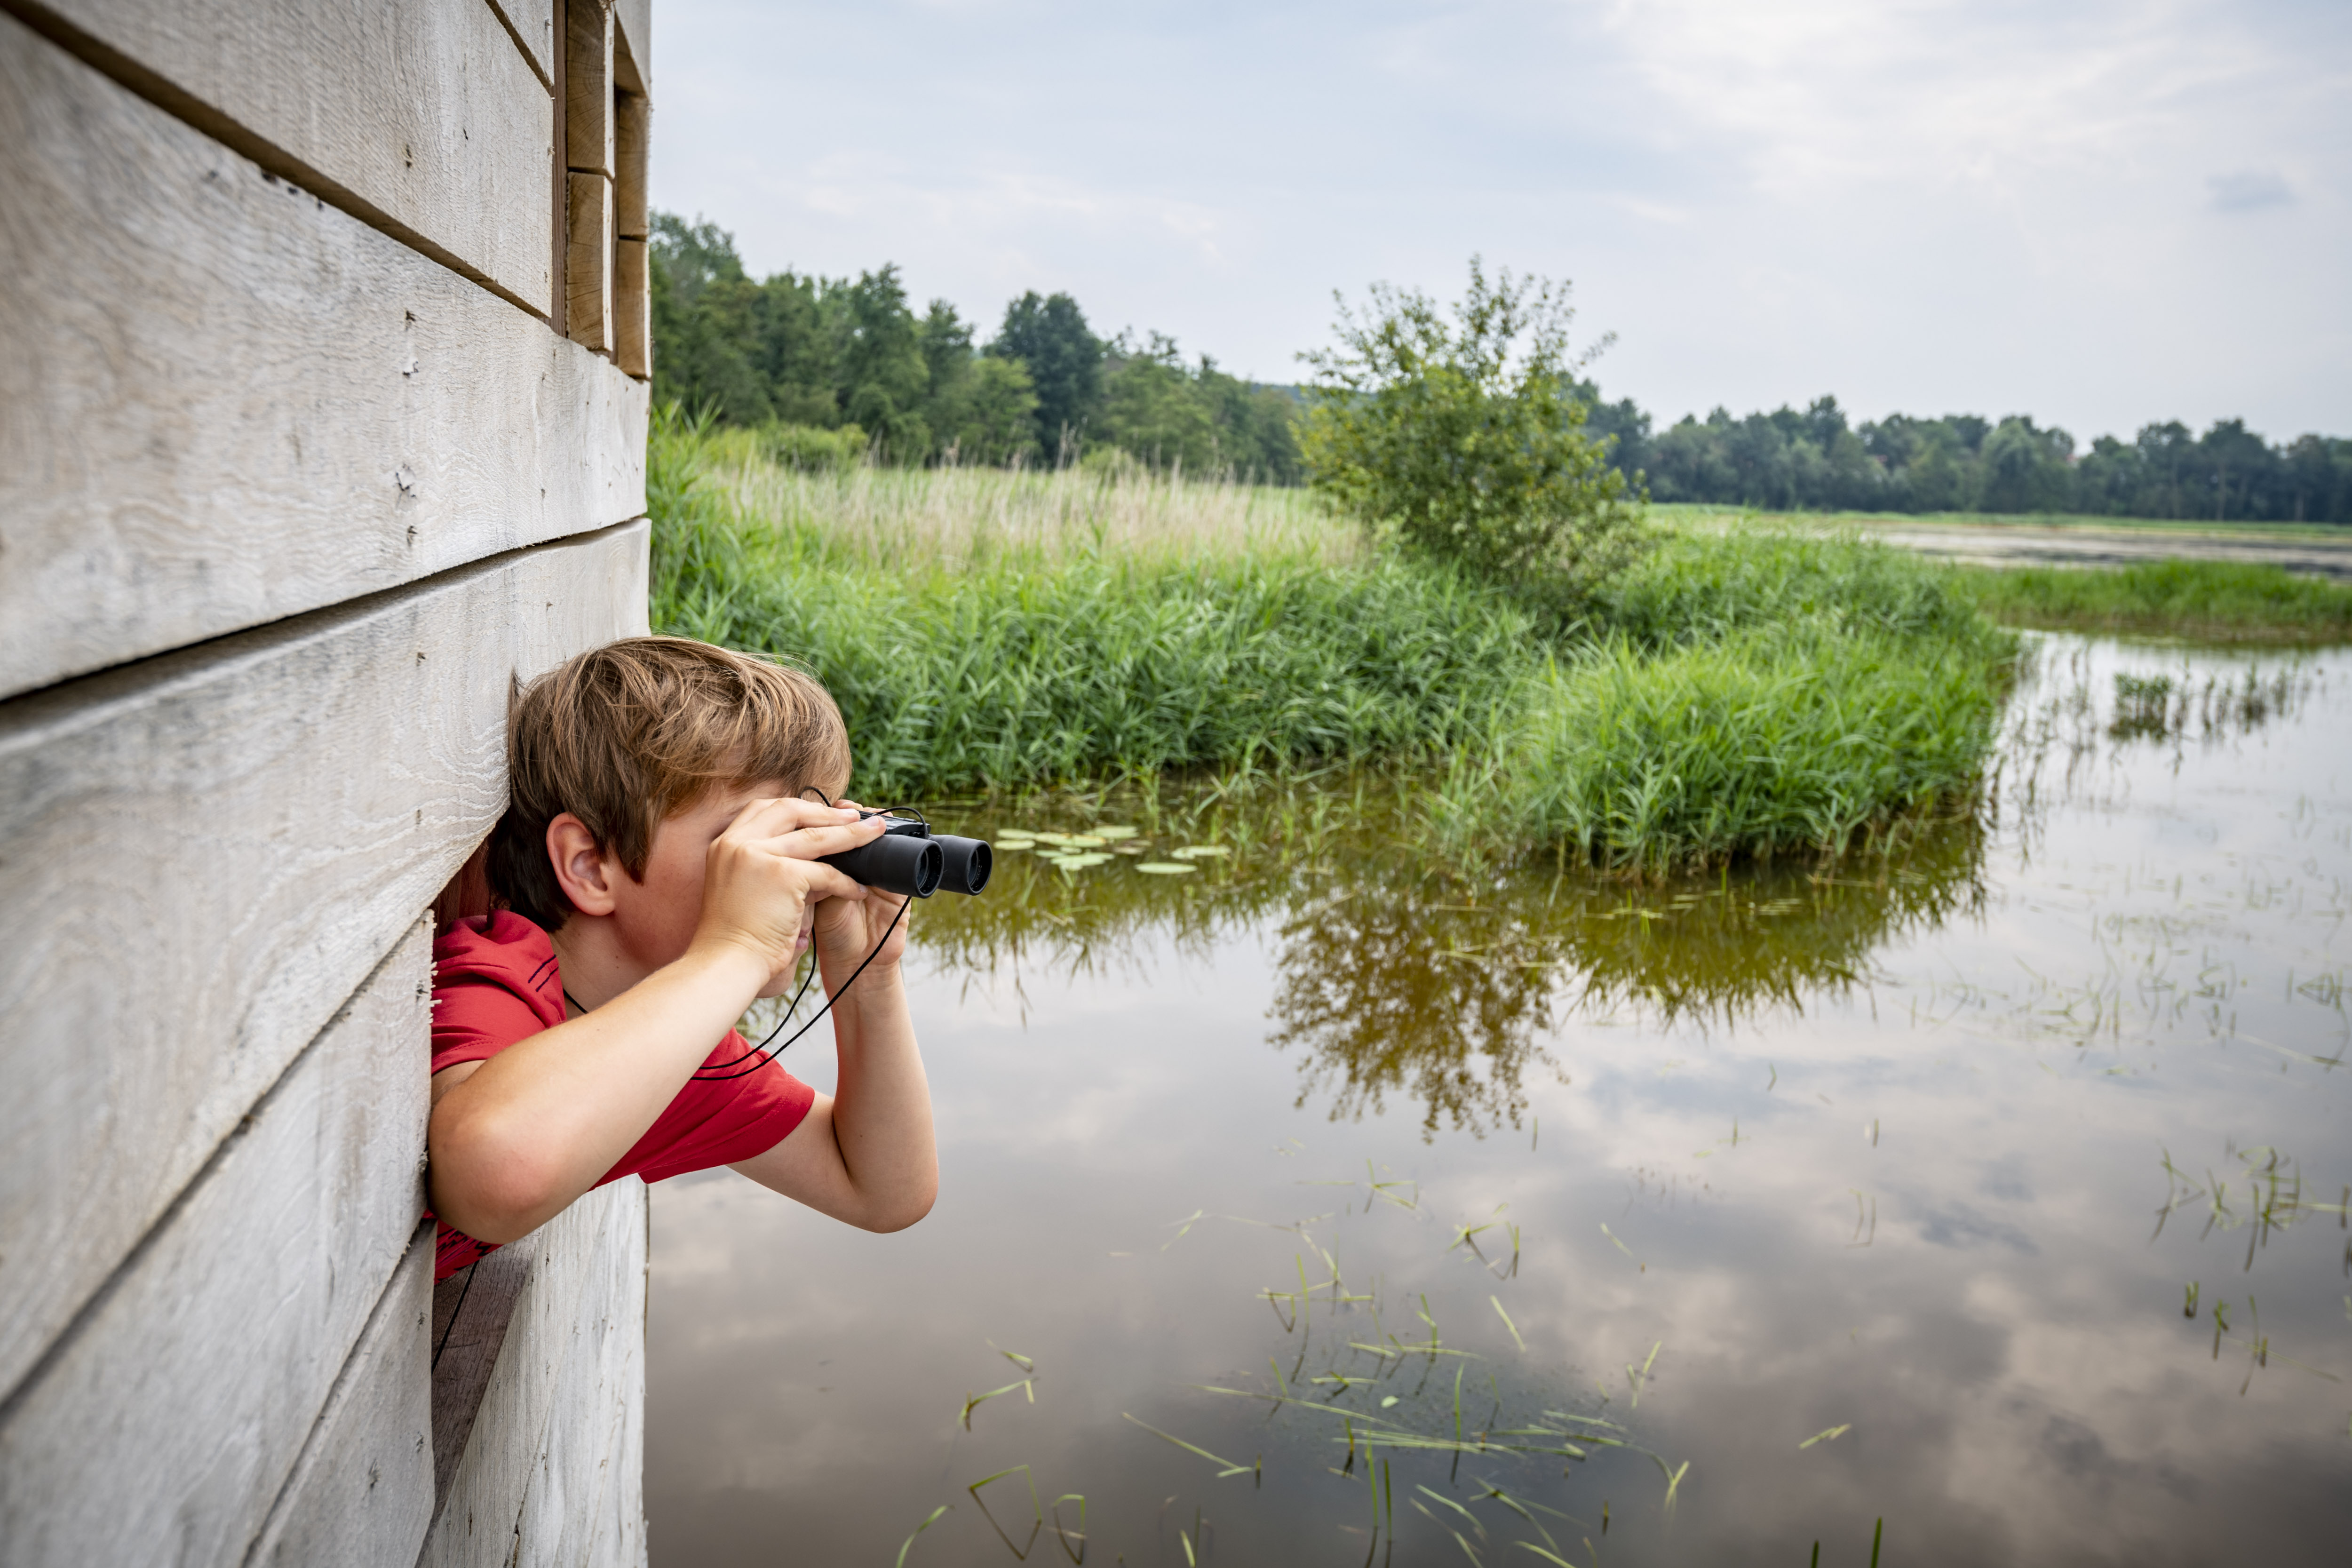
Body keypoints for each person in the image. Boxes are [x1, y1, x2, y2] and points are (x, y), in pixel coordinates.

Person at [425, 636, 936, 1281]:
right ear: (590, 865)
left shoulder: (678, 1053)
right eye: (747, 845)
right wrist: (739, 947)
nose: (796, 875)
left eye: (812, 842)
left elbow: (883, 1189)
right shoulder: (496, 974)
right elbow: (496, 1174)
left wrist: (872, 977)